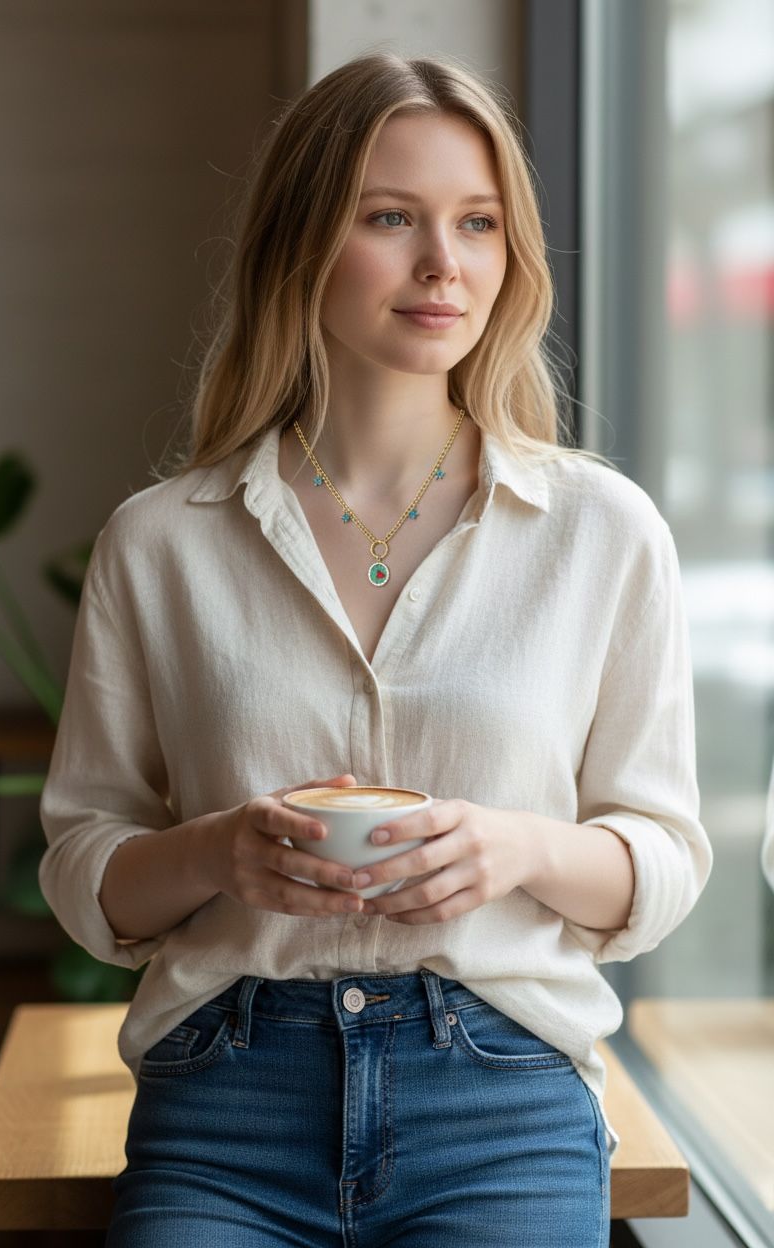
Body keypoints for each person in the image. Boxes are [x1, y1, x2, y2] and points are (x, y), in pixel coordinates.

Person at [39, 51, 713, 1247]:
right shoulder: (159, 544)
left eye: (477, 223)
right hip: (225, 1101)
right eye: (390, 217)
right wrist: (220, 854)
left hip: (499, 1098)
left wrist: (511, 850)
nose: (443, 265)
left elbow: (660, 860)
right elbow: (87, 870)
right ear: (304, 241)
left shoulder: (602, 535)